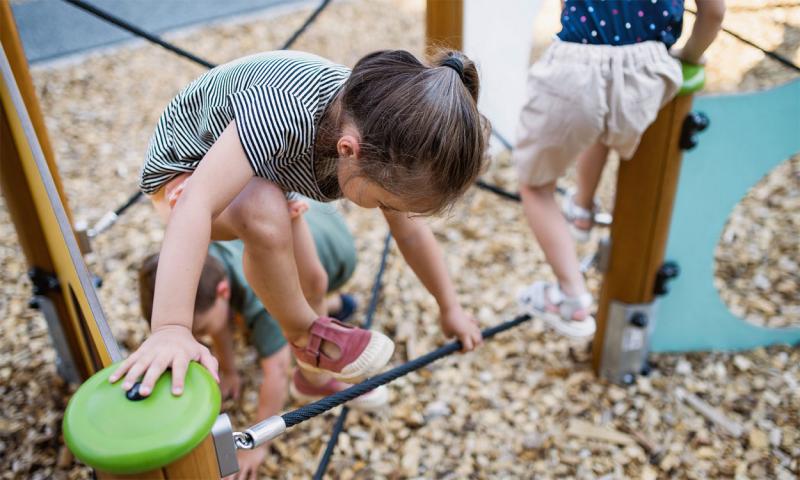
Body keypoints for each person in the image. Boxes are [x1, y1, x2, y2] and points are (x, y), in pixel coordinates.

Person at [110, 49, 489, 398]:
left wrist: (448, 305)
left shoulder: (385, 132)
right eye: (384, 203)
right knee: (263, 212)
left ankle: (312, 377)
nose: (384, 211)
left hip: (265, 170)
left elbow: (410, 233)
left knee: (313, 282)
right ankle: (307, 337)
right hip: (186, 174)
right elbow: (198, 202)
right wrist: (171, 329)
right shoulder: (282, 111)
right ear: (348, 151)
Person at [514, 0, 725, 337]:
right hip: (647, 73)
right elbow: (714, 13)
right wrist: (689, 56)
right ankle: (581, 208)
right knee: (604, 124)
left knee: (535, 187)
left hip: (575, 67)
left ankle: (571, 298)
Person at [139, 201, 387, 479]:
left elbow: (278, 370)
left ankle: (334, 303)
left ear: (224, 291)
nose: (199, 339)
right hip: (306, 211)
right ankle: (336, 305)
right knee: (242, 309)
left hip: (337, 251)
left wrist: (257, 444)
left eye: (202, 330)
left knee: (297, 319)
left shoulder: (262, 297)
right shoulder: (199, 261)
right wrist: (229, 370)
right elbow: (217, 317)